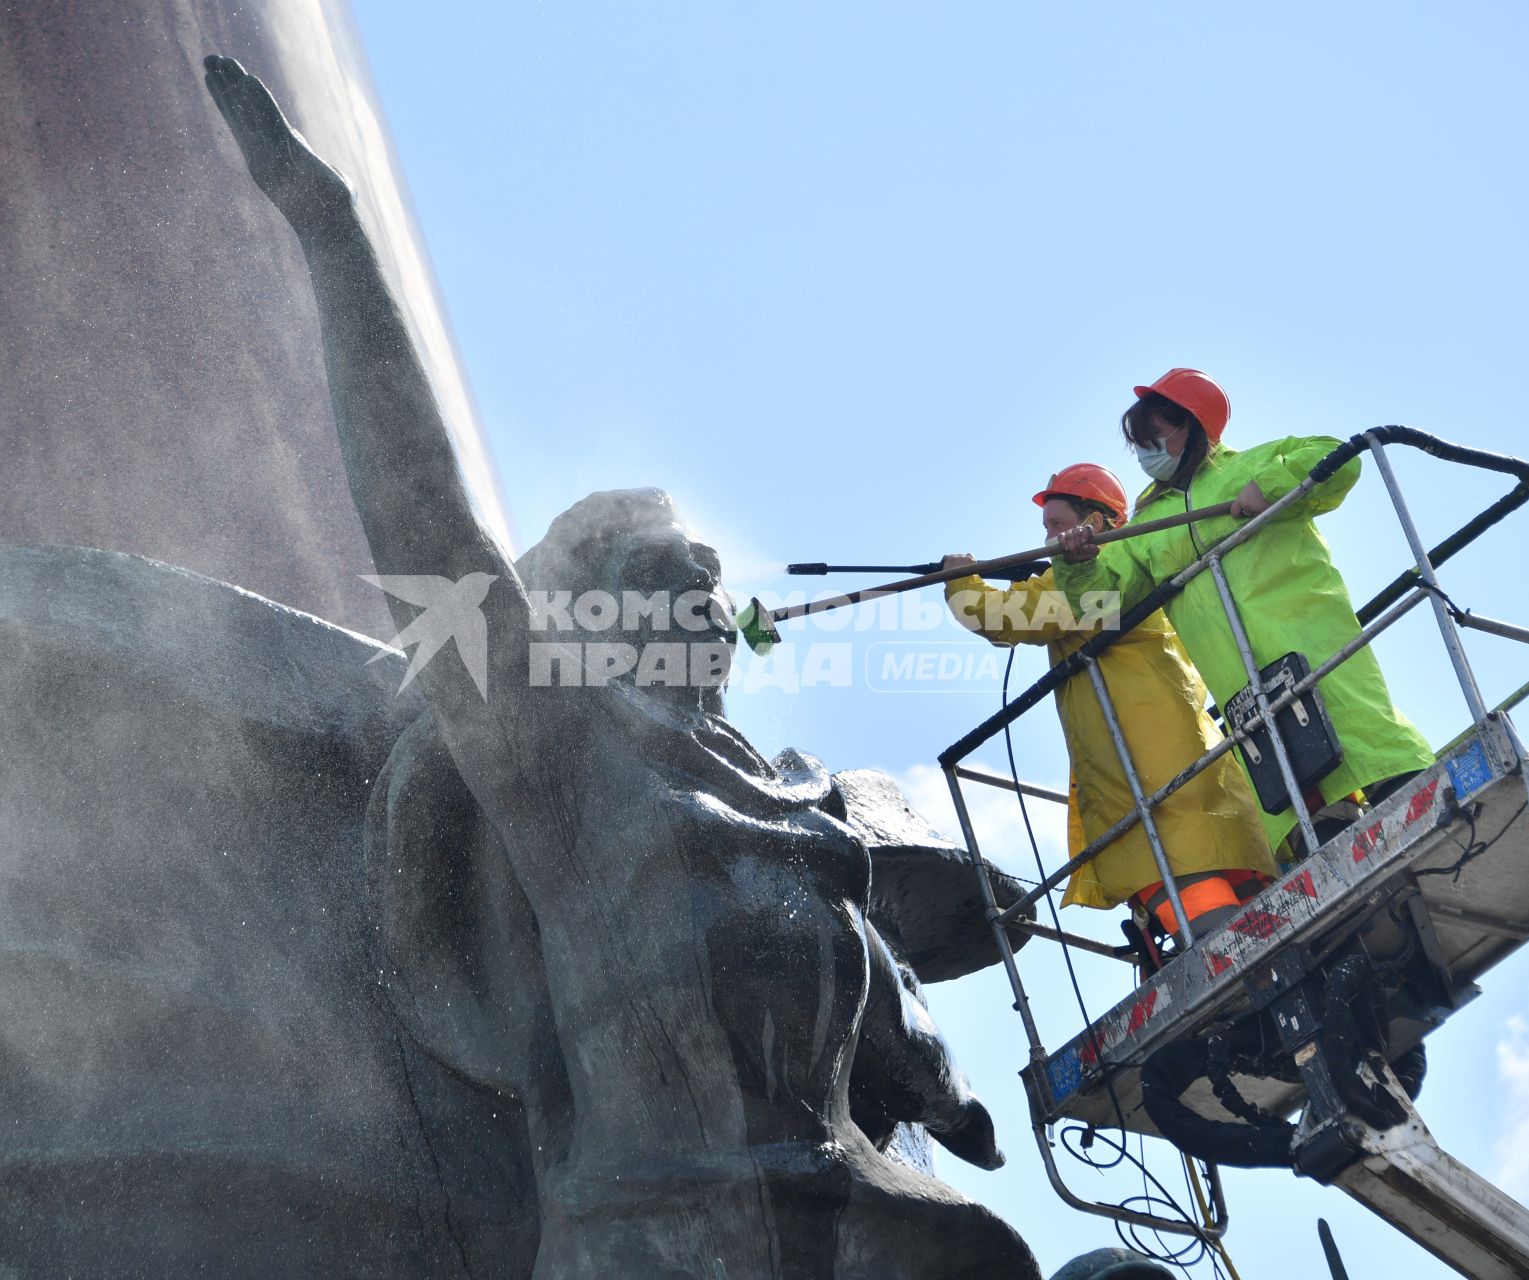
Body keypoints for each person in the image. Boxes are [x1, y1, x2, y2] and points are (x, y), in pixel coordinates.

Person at [202, 56, 1039, 1279]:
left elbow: (876, 1012)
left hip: (858, 1224)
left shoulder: (800, 802)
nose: (704, 585)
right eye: (665, 570)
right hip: (659, 1237)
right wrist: (331, 231)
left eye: (707, 564)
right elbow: (425, 518)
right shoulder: (568, 763)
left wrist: (937, 1074)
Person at [1048, 369, 1435, 853]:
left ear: (1190, 425)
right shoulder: (1146, 525)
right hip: (1237, 676)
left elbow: (1336, 456)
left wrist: (1270, 484)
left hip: (1306, 637)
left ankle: (1407, 787)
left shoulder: (1250, 466)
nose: (1146, 452)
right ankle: (1325, 831)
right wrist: (1078, 563)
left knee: (1357, 727)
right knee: (1289, 780)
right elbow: (1101, 604)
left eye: (1155, 437)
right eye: (1140, 443)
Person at [944, 465, 1277, 941]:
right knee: (1203, 859)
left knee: (1166, 864)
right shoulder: (1126, 564)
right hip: (1170, 753)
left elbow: (1006, 616)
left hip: (1142, 765)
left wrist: (961, 583)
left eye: (1058, 525)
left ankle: (1234, 954)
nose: (1050, 536)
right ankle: (1239, 943)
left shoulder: (1099, 571)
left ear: (1095, 523)